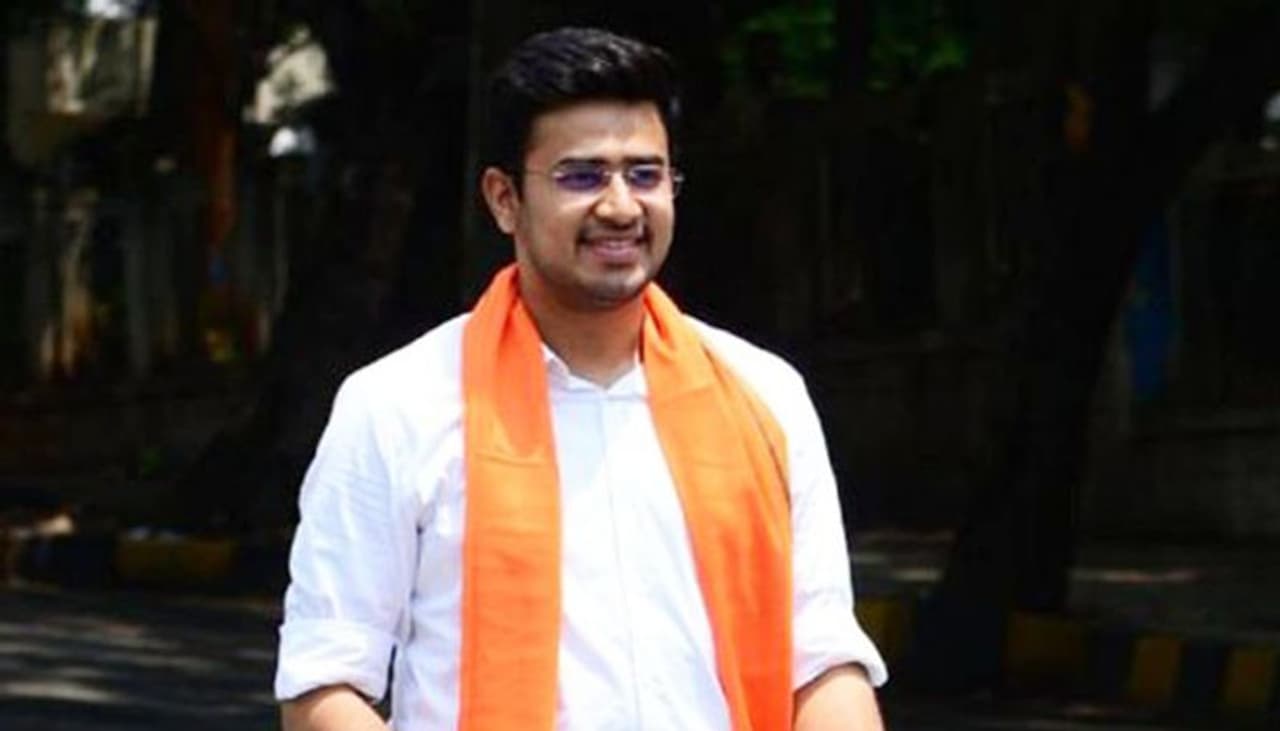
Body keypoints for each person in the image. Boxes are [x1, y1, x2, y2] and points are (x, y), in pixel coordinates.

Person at [275, 26, 887, 730]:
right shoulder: (399, 404)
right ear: (504, 199)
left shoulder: (764, 395)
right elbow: (322, 684)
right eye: (582, 176)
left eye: (645, 174)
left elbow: (823, 659)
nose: (621, 206)